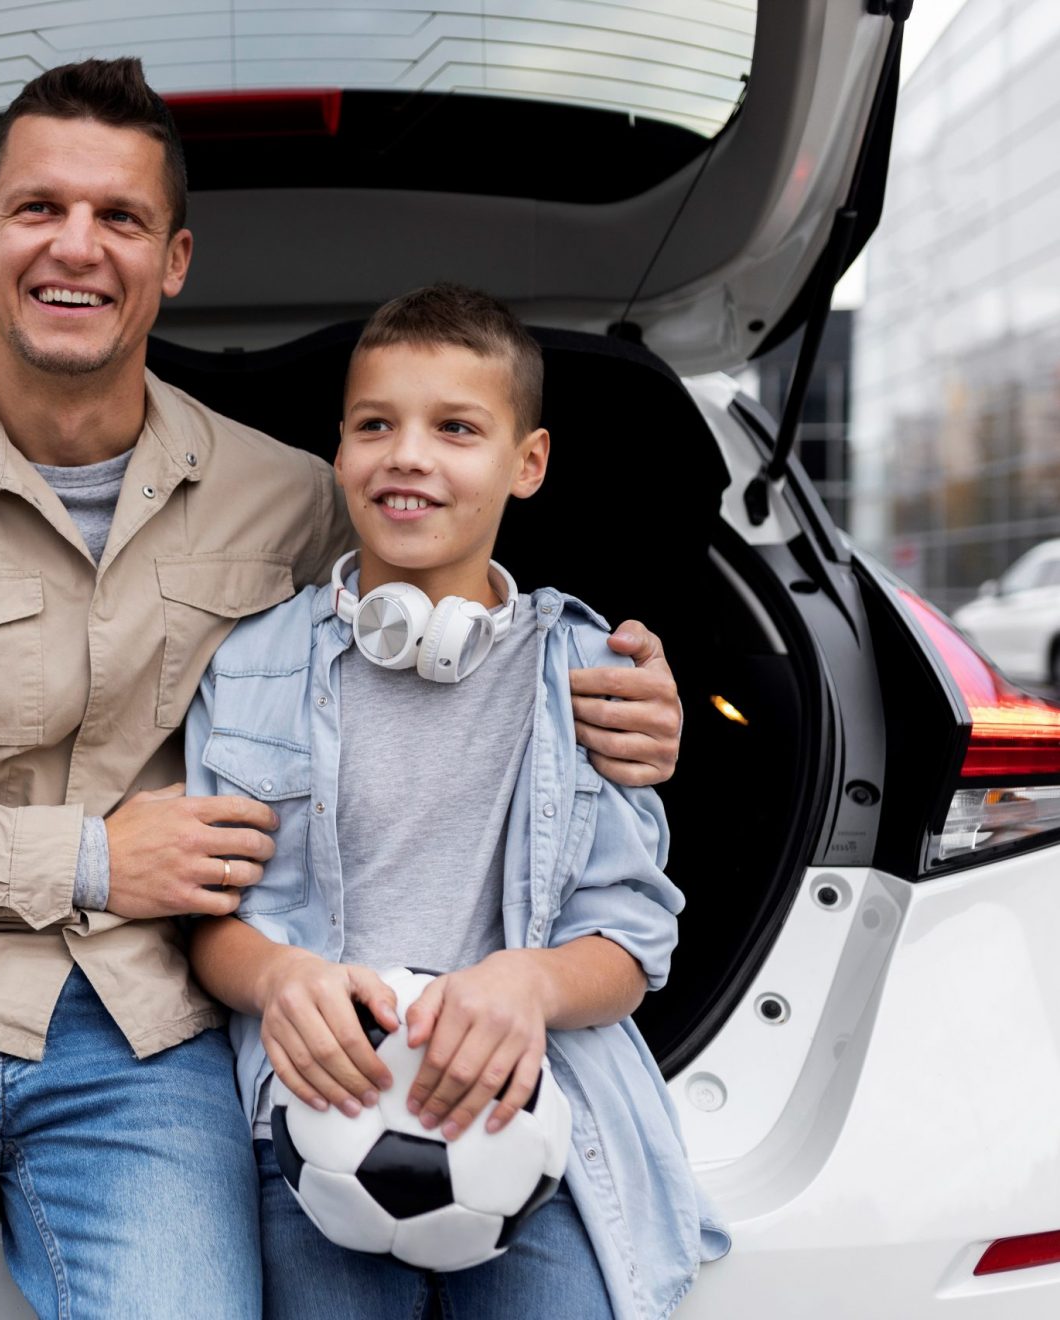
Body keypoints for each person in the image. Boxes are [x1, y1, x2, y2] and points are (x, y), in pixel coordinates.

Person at [0, 61, 686, 1320]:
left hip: (149, 1031)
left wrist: (632, 708)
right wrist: (87, 860)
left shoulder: (289, 496)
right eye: (38, 209)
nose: (78, 246)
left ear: (172, 260)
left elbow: (450, 618)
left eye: (120, 218)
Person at [187, 284, 730, 1320]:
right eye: (376, 425)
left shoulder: (588, 676)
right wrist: (283, 980)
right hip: (311, 1119)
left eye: (457, 429)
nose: (408, 455)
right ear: (338, 451)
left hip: (531, 1124)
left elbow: (630, 942)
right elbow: (208, 921)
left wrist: (528, 986)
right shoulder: (251, 666)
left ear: (528, 464)